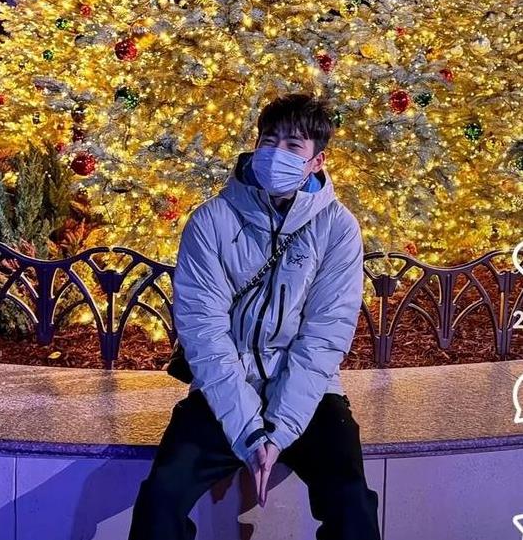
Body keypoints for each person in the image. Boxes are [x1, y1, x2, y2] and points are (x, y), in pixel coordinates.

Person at [128, 92, 381, 540]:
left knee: (351, 502)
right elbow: (204, 332)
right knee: (160, 498)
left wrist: (279, 432)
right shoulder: (211, 221)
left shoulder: (338, 228)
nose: (276, 153)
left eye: (293, 145)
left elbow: (324, 337)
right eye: (269, 141)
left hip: (308, 390)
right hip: (225, 385)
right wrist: (248, 431)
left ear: (316, 161)